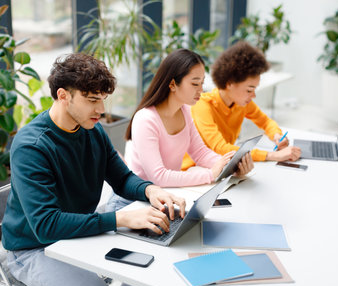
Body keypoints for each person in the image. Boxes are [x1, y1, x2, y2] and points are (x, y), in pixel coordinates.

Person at [1, 53, 186, 286]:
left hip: (79, 235)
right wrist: (121, 218)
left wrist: (151, 190)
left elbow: (121, 179)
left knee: (166, 277)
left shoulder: (93, 130)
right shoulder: (31, 146)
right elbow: (46, 226)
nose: (101, 110)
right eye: (91, 100)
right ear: (63, 96)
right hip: (34, 248)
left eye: (102, 100)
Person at [106, 49, 253, 212]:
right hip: (131, 203)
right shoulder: (145, 119)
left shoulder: (185, 111)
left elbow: (200, 153)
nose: (201, 90)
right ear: (172, 84)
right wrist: (210, 174)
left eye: (202, 83)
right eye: (195, 83)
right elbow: (159, 177)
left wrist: (230, 166)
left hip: (163, 199)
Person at [182, 41, 301, 171]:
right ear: (230, 83)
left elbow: (265, 122)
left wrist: (276, 136)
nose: (253, 95)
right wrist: (272, 155)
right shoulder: (202, 105)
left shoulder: (242, 103)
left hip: (222, 166)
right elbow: (221, 148)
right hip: (193, 169)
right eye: (249, 90)